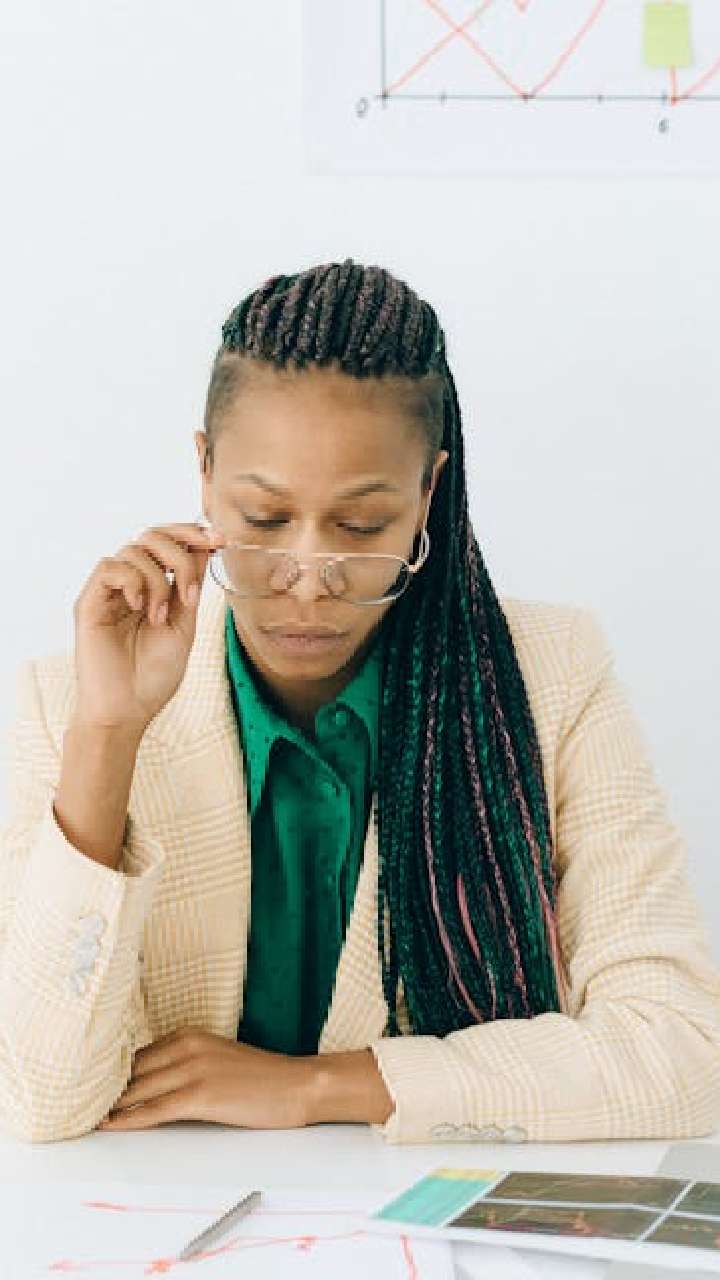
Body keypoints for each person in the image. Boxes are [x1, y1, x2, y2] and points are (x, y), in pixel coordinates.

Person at [1, 258, 719, 1145]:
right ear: (205, 473)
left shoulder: (553, 675)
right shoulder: (70, 703)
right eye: (265, 520)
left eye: (361, 525)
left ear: (427, 494)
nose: (310, 578)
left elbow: (682, 1052)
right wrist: (107, 738)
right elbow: (41, 1098)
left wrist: (320, 1087)